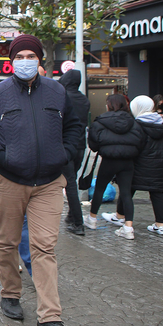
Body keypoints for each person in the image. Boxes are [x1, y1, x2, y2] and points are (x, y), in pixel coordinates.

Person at [0, 34, 82, 325]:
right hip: (9, 180)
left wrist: (65, 154)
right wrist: (2, 156)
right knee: (7, 242)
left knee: (44, 247)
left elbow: (73, 127)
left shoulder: (57, 92)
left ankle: (50, 314)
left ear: (39, 60)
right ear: (11, 63)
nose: (25, 62)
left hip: (48, 182)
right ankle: (10, 292)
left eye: (30, 57)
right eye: (19, 58)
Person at [105, 96, 163, 236]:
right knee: (157, 193)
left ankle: (120, 216)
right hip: (160, 166)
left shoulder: (135, 125)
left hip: (138, 166)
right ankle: (160, 225)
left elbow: (132, 146)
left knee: (128, 190)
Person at [85, 94, 146, 240]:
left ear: (109, 105)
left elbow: (93, 143)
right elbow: (141, 142)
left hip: (109, 160)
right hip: (127, 161)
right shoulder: (134, 122)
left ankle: (92, 219)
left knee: (99, 189)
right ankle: (128, 227)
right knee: (126, 193)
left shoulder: (101, 121)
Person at [58, 69, 91, 236]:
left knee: (69, 184)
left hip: (65, 145)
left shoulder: (62, 96)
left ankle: (78, 222)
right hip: (80, 146)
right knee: (72, 182)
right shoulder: (84, 100)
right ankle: (72, 216)